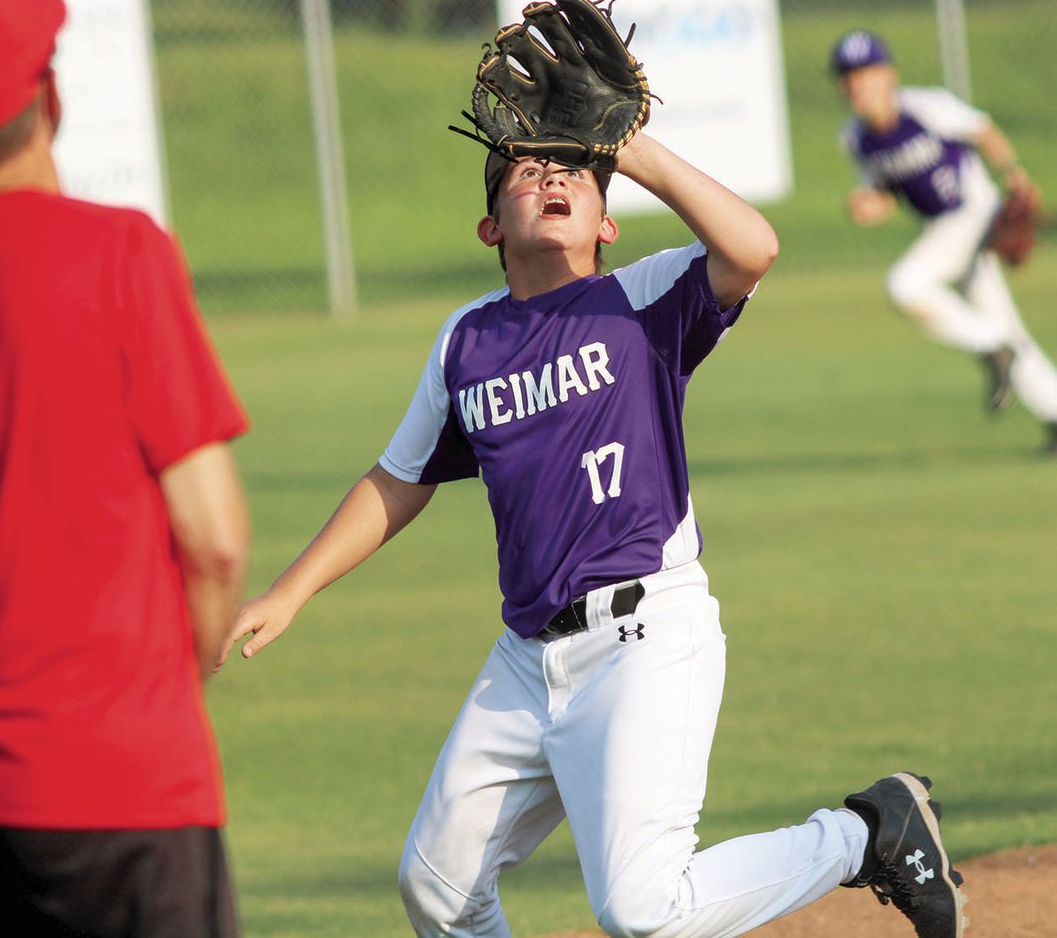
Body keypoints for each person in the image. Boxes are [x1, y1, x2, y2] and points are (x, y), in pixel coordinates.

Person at [220, 96, 970, 934]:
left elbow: (753, 247)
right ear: (488, 227)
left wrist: (635, 152)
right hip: (526, 660)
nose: (549, 178)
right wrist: (289, 592)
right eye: (525, 171)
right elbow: (399, 480)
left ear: (607, 223)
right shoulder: (467, 342)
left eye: (572, 170)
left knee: (643, 911)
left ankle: (865, 835)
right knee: (436, 885)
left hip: (644, 637)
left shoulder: (640, 300)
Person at [0, 0, 250, 937]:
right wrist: (168, 690)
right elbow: (216, 539)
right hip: (124, 784)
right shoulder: (119, 257)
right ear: (48, 99)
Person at [830, 29, 1057, 454]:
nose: (858, 83)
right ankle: (1041, 395)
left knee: (905, 285)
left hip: (975, 214)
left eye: (867, 72)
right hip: (942, 231)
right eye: (848, 76)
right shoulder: (855, 138)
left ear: (889, 75)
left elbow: (982, 129)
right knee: (1004, 324)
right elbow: (886, 192)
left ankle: (992, 346)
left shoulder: (923, 106)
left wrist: (1014, 174)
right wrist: (868, 204)